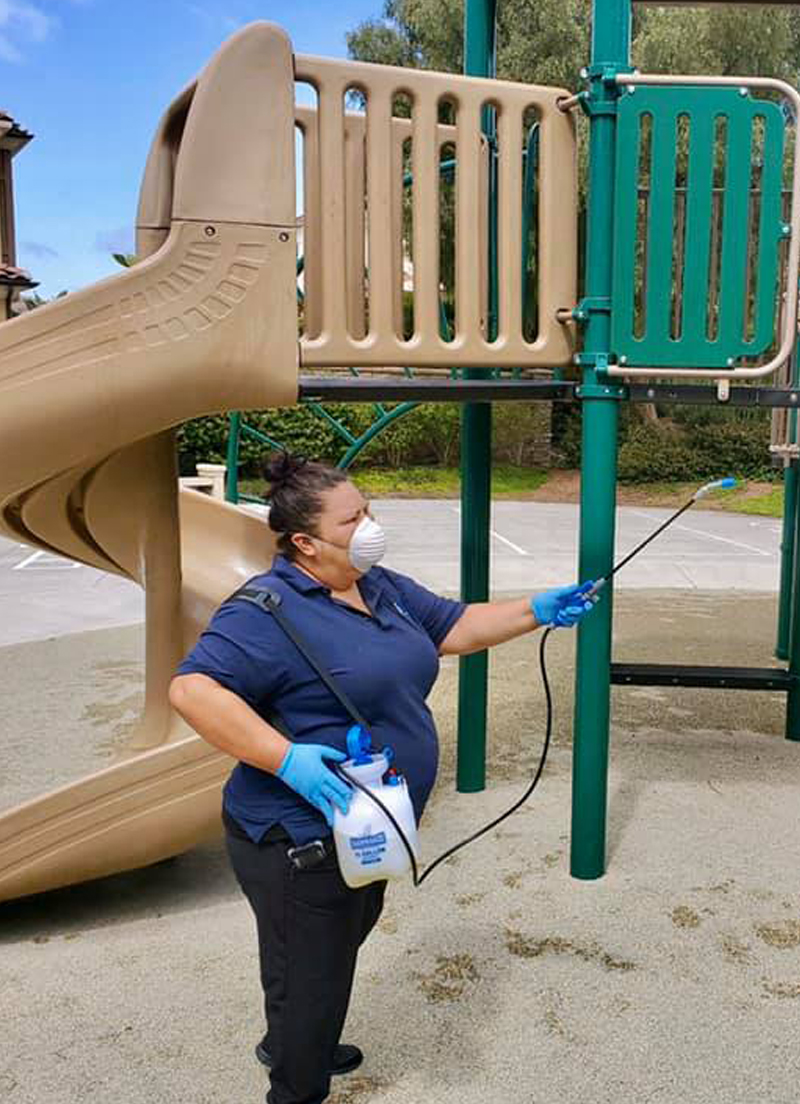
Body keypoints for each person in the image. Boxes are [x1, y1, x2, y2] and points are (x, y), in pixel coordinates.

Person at [168, 451, 596, 1104]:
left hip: (367, 826)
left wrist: (536, 608)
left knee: (329, 946)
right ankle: (296, 1073)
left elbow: (453, 626)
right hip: (297, 838)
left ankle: (293, 1032)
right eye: (352, 519)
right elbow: (192, 690)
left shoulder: (378, 584)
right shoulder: (265, 610)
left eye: (367, 509)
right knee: (312, 969)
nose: (369, 524)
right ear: (305, 543)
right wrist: (285, 759)